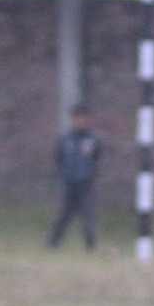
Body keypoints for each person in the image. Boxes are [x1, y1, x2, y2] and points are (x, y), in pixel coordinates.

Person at [47, 104, 102, 251]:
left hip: (85, 184)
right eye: (77, 118)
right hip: (69, 183)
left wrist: (91, 174)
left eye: (83, 118)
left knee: (87, 216)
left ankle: (90, 247)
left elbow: (99, 159)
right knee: (63, 215)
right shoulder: (66, 138)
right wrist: (62, 173)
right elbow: (58, 158)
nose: (80, 121)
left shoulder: (93, 139)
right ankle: (52, 244)